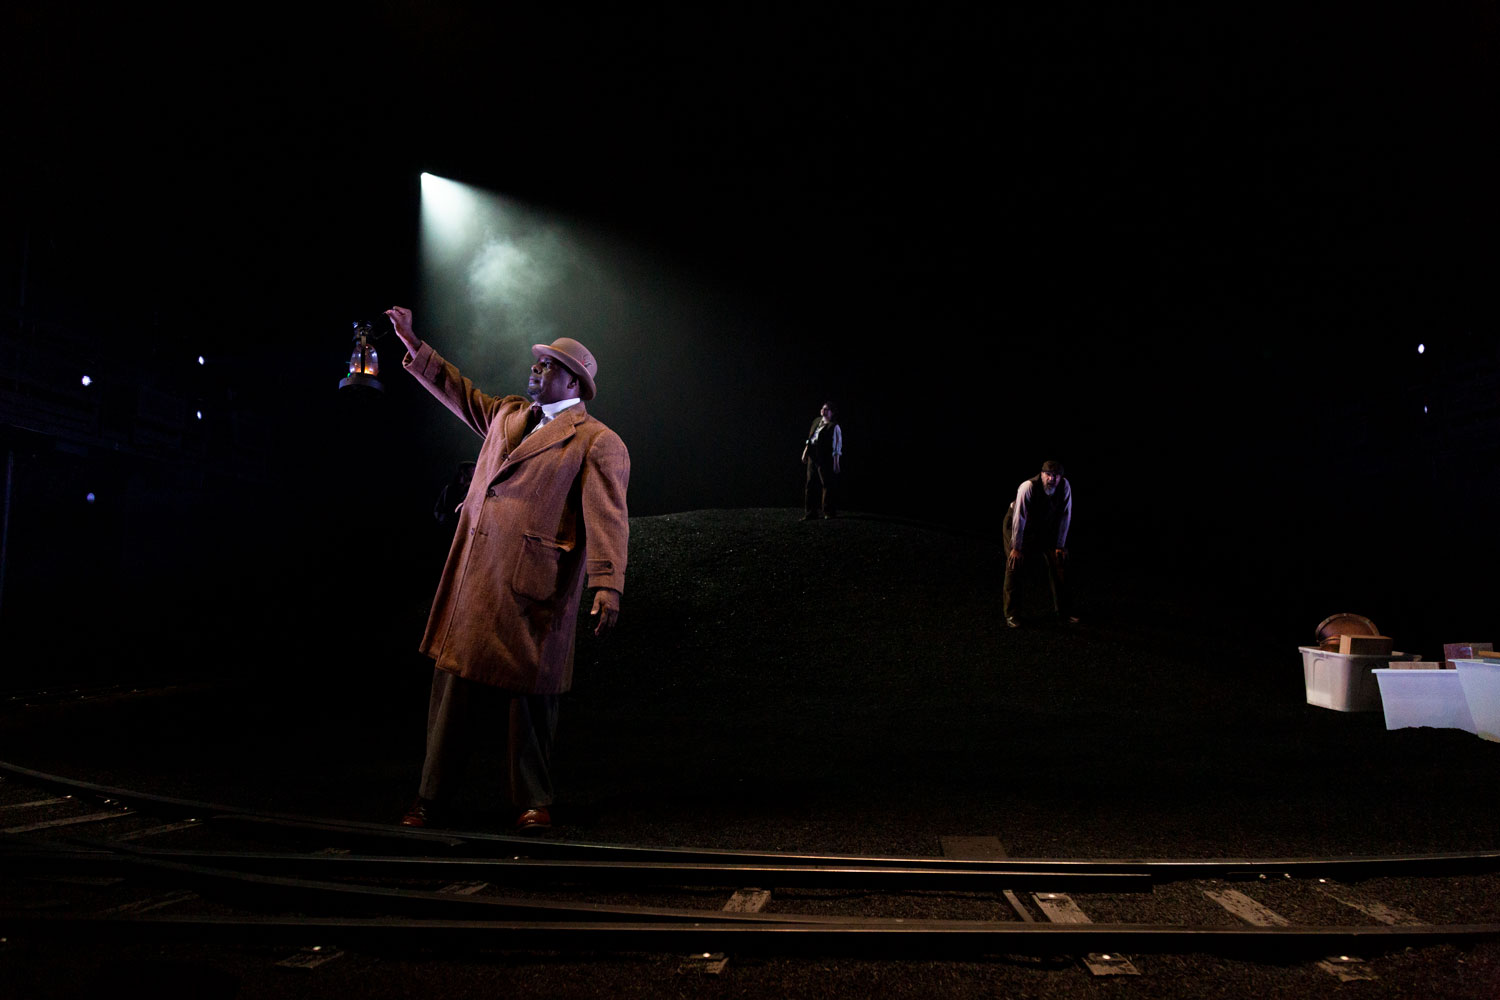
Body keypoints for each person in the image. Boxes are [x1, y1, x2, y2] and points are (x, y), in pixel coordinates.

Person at [385, 306, 630, 832]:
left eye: (548, 365)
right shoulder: (507, 415)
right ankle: (430, 799)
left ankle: (533, 801)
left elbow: (607, 516)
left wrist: (608, 584)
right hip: (476, 576)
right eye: (537, 362)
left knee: (531, 701)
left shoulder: (596, 442)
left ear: (574, 382)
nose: (536, 369)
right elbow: (459, 391)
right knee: (451, 690)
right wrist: (413, 343)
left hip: (533, 586)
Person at [1002, 460, 1075, 628]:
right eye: (1048, 475)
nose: (1052, 479)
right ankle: (1012, 614)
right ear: (1042, 474)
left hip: (1040, 526)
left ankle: (1063, 611)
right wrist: (1016, 548)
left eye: (1056, 476)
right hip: (1017, 524)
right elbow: (1019, 518)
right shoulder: (1027, 487)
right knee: (1015, 563)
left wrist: (1060, 545)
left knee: (1059, 561)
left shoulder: (1064, 486)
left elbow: (1065, 515)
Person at [800, 401, 842, 519]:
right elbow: (810, 438)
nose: (823, 410)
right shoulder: (816, 421)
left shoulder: (834, 426)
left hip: (825, 458)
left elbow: (837, 446)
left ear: (832, 413)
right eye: (823, 408)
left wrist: (836, 462)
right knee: (810, 484)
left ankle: (829, 512)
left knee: (827, 484)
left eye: (827, 409)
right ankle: (810, 513)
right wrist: (805, 452)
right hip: (813, 456)